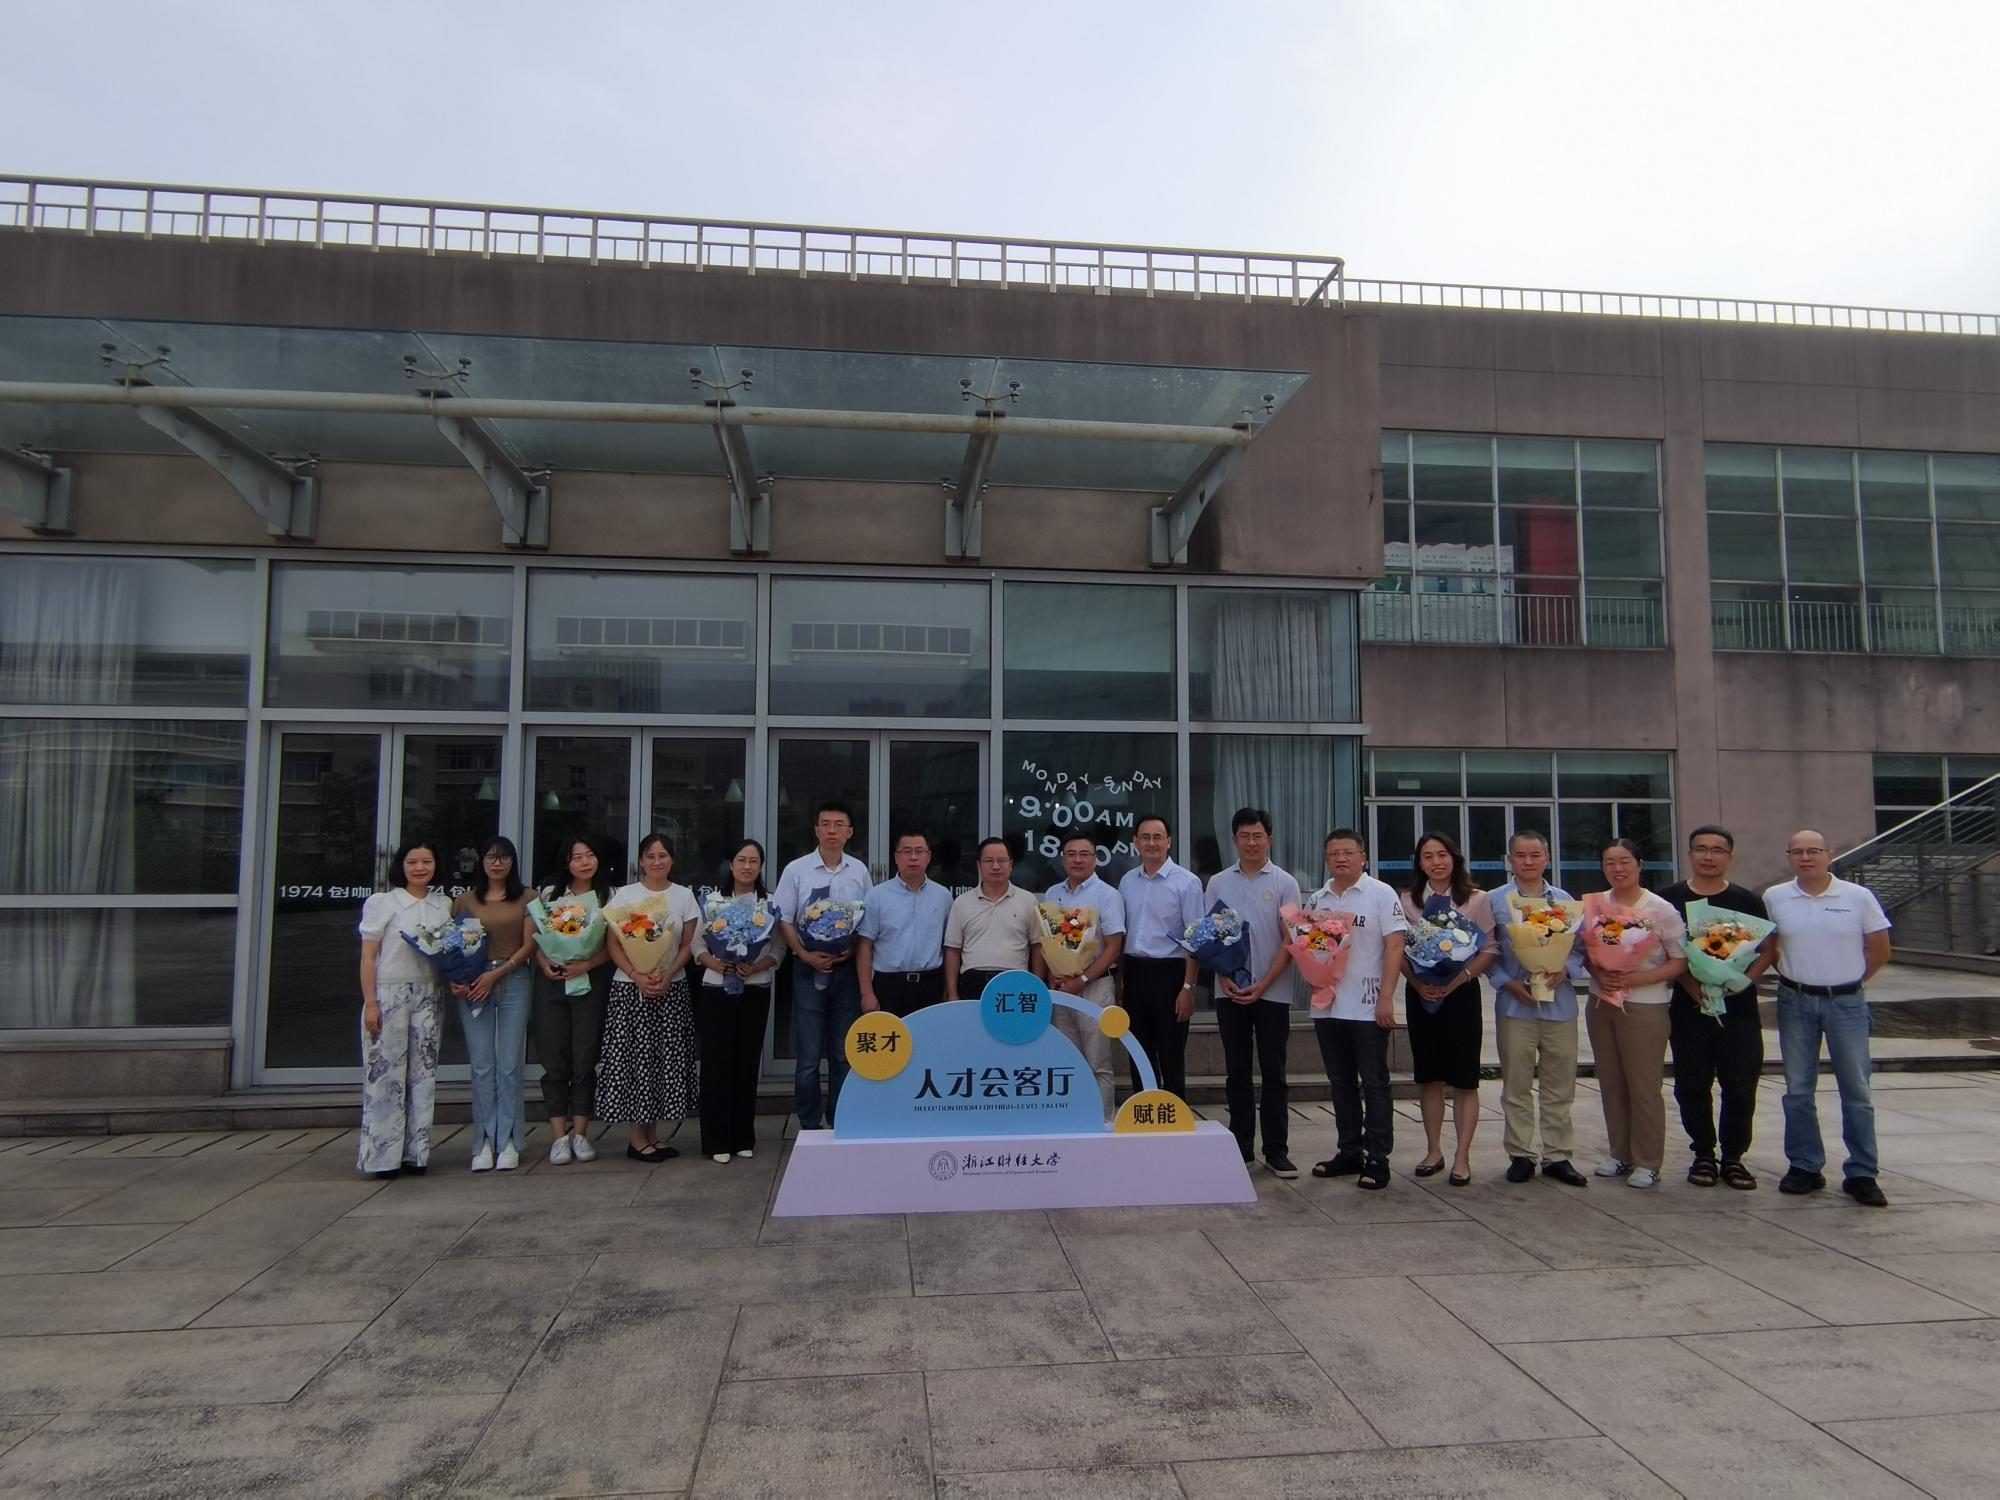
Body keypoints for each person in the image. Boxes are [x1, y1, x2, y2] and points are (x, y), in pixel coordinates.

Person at [1764, 829, 1894, 1207]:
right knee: (1798, 1088)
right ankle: (1804, 1165)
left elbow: (1880, 949)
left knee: (1857, 1090)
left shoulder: (1857, 896)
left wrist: (1851, 981)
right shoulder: (1775, 897)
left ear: (1829, 855)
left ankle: (1862, 1172)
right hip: (1795, 1002)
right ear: (1789, 857)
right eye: (1798, 852)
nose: (1806, 858)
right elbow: (1769, 947)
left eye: (1813, 851)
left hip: (1846, 1004)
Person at [1660, 826, 1772, 1191]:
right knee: (1692, 1082)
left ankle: (1734, 1157)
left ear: (1730, 857)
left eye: (1717, 850)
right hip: (1689, 1005)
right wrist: (1692, 986)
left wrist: (1741, 981)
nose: (1709, 856)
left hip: (1739, 1007)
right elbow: (1665, 952)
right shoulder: (1669, 900)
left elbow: (1768, 949)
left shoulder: (1747, 900)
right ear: (1690, 854)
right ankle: (1704, 1152)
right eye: (1701, 849)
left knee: (1740, 1083)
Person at [1304, 828, 1407, 1191]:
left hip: (1367, 1006)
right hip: (1328, 1006)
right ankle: (1349, 1151)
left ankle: (1378, 1158)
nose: (1341, 858)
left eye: (1348, 852)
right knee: (1341, 1082)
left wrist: (1386, 998)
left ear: (1363, 857)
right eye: (1334, 853)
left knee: (1375, 1083)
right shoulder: (1318, 898)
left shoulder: (1380, 893)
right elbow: (1312, 949)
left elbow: (1395, 947)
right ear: (1326, 859)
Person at [1582, 838, 1688, 1191]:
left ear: (1639, 864)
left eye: (1625, 861)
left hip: (1645, 1006)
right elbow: (1587, 953)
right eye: (1610, 862)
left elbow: (1679, 961)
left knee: (1643, 1085)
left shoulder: (1660, 909)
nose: (1618, 869)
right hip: (1601, 1003)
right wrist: (1600, 974)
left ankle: (1648, 1161)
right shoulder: (1596, 905)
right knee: (1611, 1081)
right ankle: (1619, 1153)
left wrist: (1636, 979)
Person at [1487, 830, 1590, 1188]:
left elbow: (1581, 948)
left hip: (1559, 1005)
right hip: (1515, 1006)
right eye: (1520, 855)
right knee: (1516, 1084)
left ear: (1547, 858)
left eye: (1535, 855)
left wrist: (1567, 970)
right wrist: (1506, 982)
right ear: (1510, 860)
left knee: (1559, 1085)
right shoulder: (1495, 901)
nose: (1528, 861)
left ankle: (1558, 1155)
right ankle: (1520, 1154)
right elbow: (1486, 950)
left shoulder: (1565, 900)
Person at [1205, 808, 1302, 1177]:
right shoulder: (1218, 882)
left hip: (1273, 992)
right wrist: (1222, 975)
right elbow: (1210, 935)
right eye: (1244, 836)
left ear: (1269, 840)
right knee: (1237, 1072)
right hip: (1230, 991)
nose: (1251, 842)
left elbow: (1291, 940)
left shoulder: (1285, 883)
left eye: (1257, 835)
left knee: (1274, 1072)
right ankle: (1241, 1147)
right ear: (1234, 840)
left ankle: (1276, 1150)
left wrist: (1264, 984)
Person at [1400, 831, 1499, 1187]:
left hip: (1461, 994)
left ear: (1454, 858)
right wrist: (1417, 983)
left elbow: (1490, 947)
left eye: (1442, 855)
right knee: (1429, 1076)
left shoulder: (1476, 899)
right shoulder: (1407, 901)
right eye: (1428, 856)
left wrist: (1459, 979)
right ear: (1419, 863)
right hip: (1422, 995)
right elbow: (1398, 948)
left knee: (1464, 1078)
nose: (1436, 862)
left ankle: (1462, 1157)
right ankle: (1433, 1151)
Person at [596, 832, 701, 1164]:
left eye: (663, 856)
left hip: (672, 987)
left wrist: (667, 974)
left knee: (663, 1061)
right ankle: (636, 1139)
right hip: (630, 989)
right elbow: (613, 943)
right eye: (651, 856)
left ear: (672, 860)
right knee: (637, 1061)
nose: (657, 861)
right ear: (641, 861)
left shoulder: (684, 896)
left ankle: (652, 1136)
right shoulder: (624, 895)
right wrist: (637, 974)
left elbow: (688, 944)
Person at [356, 839, 450, 1179]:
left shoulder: (444, 904)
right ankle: (382, 1158)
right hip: (389, 993)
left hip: (429, 993)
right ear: (402, 866)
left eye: (427, 861)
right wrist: (371, 1002)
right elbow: (368, 957)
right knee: (385, 1075)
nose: (420, 868)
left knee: (423, 1073)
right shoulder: (382, 902)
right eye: (413, 862)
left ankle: (416, 1154)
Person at [774, 801, 871, 1129]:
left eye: (838, 824)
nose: (832, 830)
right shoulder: (796, 869)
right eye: (826, 824)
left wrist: (851, 948)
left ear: (849, 832)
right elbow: (784, 918)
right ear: (816, 830)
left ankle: (840, 1119)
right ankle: (810, 1123)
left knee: (843, 1053)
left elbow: (866, 919)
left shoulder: (859, 870)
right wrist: (804, 954)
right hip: (807, 969)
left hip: (846, 970)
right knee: (809, 1054)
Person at [449, 836, 534, 1173]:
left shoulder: (527, 897)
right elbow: (452, 944)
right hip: (474, 984)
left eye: (504, 857)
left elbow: (530, 945)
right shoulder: (465, 901)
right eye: (490, 857)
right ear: (481, 861)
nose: (497, 863)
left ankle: (509, 1138)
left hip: (513, 980)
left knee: (509, 1065)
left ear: (513, 862)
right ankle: (484, 1140)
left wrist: (497, 974)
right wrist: (456, 978)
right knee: (482, 1065)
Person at [692, 839, 780, 1164]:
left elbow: (779, 949)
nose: (747, 866)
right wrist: (716, 964)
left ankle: (743, 1136)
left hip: (755, 987)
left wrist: (756, 966)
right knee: (717, 1063)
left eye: (753, 861)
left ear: (761, 866)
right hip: (716, 989)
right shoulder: (713, 902)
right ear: (731, 865)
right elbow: (696, 945)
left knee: (747, 1063)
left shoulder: (769, 904)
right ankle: (717, 1139)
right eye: (741, 860)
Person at [531, 832, 614, 1165]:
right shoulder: (550, 893)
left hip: (591, 981)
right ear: (566, 862)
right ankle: (558, 1137)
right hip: (552, 983)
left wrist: (587, 965)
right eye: (577, 856)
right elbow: (537, 938)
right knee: (554, 1058)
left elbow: (614, 945)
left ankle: (580, 1134)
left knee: (584, 1057)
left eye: (589, 855)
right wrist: (544, 962)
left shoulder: (610, 896)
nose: (584, 862)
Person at [1115, 816, 1206, 1100]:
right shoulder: (1127, 881)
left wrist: (1188, 988)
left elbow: (1196, 940)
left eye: (1158, 837)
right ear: (1135, 842)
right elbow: (1123, 934)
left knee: (1171, 1053)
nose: (1151, 843)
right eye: (1145, 837)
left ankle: (1174, 1114)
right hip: (1135, 972)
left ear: (1169, 842)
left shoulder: (1187, 882)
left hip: (1170, 974)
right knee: (1138, 1050)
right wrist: (1120, 982)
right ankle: (1144, 1110)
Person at [1043, 831, 1126, 1120]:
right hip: (1062, 988)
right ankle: (1073, 1120)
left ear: (1095, 859)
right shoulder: (1053, 894)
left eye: (1084, 854)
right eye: (1071, 854)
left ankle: (1102, 1123)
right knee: (1069, 1060)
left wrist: (1083, 980)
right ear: (1063, 859)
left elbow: (1114, 947)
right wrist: (1054, 976)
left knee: (1098, 1062)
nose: (1077, 860)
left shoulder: (1107, 895)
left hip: (1094, 987)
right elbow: (1049, 941)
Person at [857, 827, 954, 1018]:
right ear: (896, 857)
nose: (913, 857)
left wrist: (949, 991)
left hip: (930, 984)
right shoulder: (877, 896)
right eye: (907, 851)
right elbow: (864, 946)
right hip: (889, 985)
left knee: (928, 1036)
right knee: (890, 1037)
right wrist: (866, 993)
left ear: (929, 856)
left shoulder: (943, 896)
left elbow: (949, 946)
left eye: (919, 851)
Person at [944, 838, 1046, 1000]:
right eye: (989, 861)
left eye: (1002, 860)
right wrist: (952, 994)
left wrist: (1037, 987)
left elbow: (1037, 946)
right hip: (973, 982)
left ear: (1011, 864)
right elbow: (953, 950)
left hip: (1015, 982)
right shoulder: (962, 903)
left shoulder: (1028, 900)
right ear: (979, 866)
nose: (996, 866)